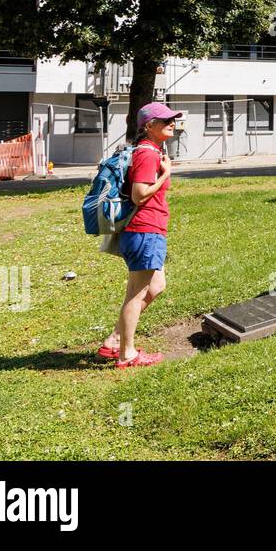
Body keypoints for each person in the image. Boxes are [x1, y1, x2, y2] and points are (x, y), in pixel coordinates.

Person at [97, 101, 180, 368]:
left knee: (156, 286)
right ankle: (126, 354)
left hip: (149, 229)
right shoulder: (147, 154)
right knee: (135, 293)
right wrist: (165, 173)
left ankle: (114, 341)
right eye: (165, 120)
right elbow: (140, 194)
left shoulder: (150, 151)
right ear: (149, 126)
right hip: (145, 229)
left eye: (173, 119)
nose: (172, 123)